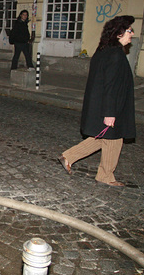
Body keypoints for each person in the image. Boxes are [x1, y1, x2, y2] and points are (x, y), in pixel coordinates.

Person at [58, 15, 136, 187]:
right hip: (108, 106)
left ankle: (69, 156)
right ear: (119, 34)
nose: (132, 34)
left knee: (105, 137)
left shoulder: (103, 51)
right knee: (113, 139)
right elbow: (110, 86)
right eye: (129, 31)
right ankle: (105, 176)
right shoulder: (115, 55)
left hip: (100, 105)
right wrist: (110, 113)